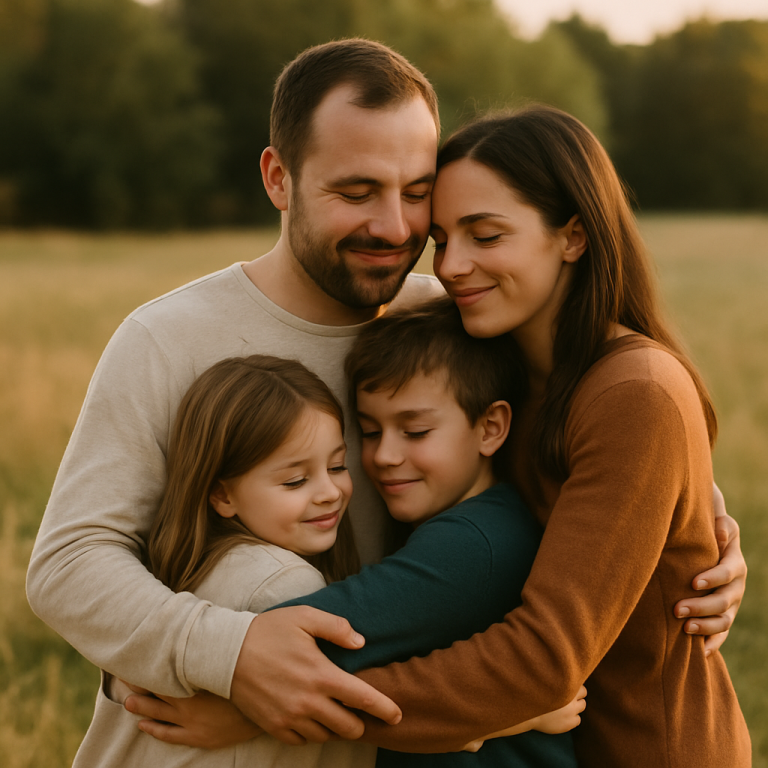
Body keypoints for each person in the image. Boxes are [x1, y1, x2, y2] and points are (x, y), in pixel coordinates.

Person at [26, 38, 745, 748]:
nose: (395, 227)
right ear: (279, 179)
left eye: (415, 194)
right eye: (356, 191)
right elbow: (69, 565)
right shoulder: (169, 337)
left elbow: (610, 462)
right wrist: (233, 658)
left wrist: (698, 538)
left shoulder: (453, 325)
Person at [344, 105, 751, 766]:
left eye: (485, 235)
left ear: (573, 236)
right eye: (442, 238)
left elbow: (543, 659)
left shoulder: (635, 391)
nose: (451, 266)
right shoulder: (500, 370)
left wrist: (300, 703)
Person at [126, 297, 587, 768]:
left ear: (490, 427)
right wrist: (512, 716)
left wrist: (236, 710)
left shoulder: (475, 544)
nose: (385, 455)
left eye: (415, 431)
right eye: (369, 432)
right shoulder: (475, 521)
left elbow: (311, 649)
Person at [72, 354, 373, 767]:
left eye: (337, 465)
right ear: (223, 496)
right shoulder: (284, 586)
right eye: (295, 480)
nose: (330, 492)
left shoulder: (173, 569)